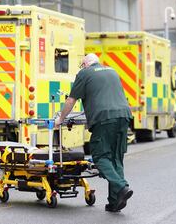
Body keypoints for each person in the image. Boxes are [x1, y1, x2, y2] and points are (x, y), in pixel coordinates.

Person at [55, 53, 133, 212]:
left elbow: (71, 100)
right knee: (116, 158)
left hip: (104, 119)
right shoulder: (112, 71)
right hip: (124, 116)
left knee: (100, 156)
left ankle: (121, 186)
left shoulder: (84, 73)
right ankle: (115, 201)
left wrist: (60, 119)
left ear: (85, 64)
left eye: (81, 65)